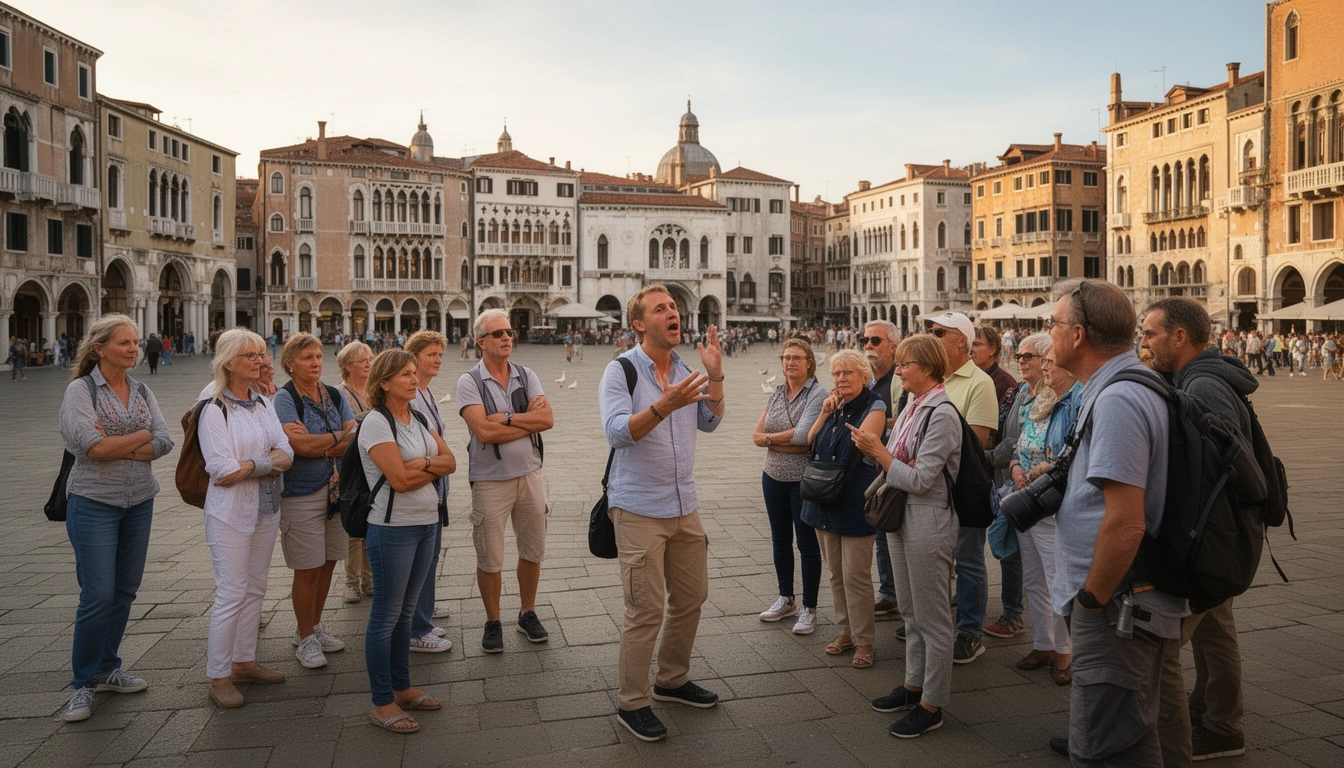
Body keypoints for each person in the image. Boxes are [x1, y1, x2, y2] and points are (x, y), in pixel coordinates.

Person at [1046, 279, 1182, 766]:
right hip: (1119, 598)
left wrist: (1090, 600)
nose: (1049, 332)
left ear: (1078, 334)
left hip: (1114, 603)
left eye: (1054, 323)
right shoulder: (1114, 388)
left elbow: (1126, 523)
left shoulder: (1119, 399)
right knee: (1129, 737)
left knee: (1102, 746)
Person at [599, 285, 725, 742]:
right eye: (660, 309)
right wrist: (662, 405)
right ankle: (632, 703)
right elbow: (617, 432)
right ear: (639, 323)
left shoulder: (687, 369)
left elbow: (710, 421)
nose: (673, 313)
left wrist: (716, 376)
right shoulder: (621, 371)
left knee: (691, 597)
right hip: (638, 507)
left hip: (684, 504)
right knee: (645, 609)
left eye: (673, 306)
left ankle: (672, 679)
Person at [1141, 298, 1252, 765]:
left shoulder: (1203, 384)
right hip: (1220, 531)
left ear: (1180, 336)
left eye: (1150, 333)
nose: (1144, 342)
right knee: (1215, 628)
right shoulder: (1201, 377)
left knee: (1165, 644)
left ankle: (1211, 727)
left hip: (1212, 534)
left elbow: (1218, 465)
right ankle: (1215, 716)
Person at [57, 315, 174, 722]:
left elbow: (164, 441)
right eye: (124, 342)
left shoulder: (141, 389)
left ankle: (108, 668)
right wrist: (140, 437)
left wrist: (120, 442)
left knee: (124, 590)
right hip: (94, 502)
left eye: (135, 342)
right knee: (98, 594)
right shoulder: (81, 390)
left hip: (139, 500)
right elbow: (93, 448)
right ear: (99, 348)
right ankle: (82, 684)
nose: (132, 349)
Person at [854, 335, 962, 738]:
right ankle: (914, 685)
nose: (897, 371)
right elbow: (904, 468)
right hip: (902, 514)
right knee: (911, 612)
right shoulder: (913, 405)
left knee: (933, 618)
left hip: (928, 519)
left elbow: (919, 479)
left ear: (928, 368)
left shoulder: (942, 413)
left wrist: (880, 452)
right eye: (898, 364)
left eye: (905, 364)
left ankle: (932, 704)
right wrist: (893, 459)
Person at [357, 349, 456, 734]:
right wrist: (429, 468)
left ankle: (402, 686)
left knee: (405, 613)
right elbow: (398, 480)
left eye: (415, 373)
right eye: (405, 375)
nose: (415, 380)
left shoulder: (417, 417)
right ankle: (381, 701)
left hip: (427, 523)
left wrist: (422, 465)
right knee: (386, 616)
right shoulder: (376, 423)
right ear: (384, 382)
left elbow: (450, 462)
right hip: (392, 528)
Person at [198, 329, 294, 708]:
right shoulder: (213, 406)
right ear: (229, 363)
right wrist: (266, 463)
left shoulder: (262, 402)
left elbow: (287, 451)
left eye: (261, 354)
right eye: (251, 355)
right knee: (231, 592)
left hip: (266, 507)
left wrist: (253, 465)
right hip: (231, 512)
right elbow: (222, 470)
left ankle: (244, 661)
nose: (261, 361)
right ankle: (218, 675)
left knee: (255, 587)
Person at [457, 309, 555, 653]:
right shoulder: (469, 381)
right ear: (481, 342)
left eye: (509, 332)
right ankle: (493, 620)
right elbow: (483, 431)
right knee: (490, 556)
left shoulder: (526, 375)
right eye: (498, 334)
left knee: (532, 550)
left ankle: (527, 612)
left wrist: (509, 418)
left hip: (530, 473)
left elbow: (548, 419)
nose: (506, 338)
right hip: (490, 481)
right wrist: (527, 420)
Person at [273, 333, 358, 669]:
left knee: (327, 564)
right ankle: (305, 637)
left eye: (319, 356)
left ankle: (313, 627)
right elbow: (299, 447)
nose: (315, 363)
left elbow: (354, 437)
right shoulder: (285, 398)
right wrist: (336, 438)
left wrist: (320, 442)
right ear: (290, 363)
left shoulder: (334, 394)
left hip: (337, 493)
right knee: (307, 568)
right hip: (301, 493)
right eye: (307, 357)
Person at [921, 312, 998, 664]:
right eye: (930, 330)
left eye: (939, 332)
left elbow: (977, 443)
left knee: (968, 561)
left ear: (961, 341)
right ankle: (934, 627)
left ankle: (970, 633)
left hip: (962, 487)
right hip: (930, 487)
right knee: (937, 562)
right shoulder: (933, 378)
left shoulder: (980, 382)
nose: (932, 336)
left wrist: (930, 452)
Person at [801, 350, 885, 669]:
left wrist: (841, 418)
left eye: (848, 372)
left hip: (853, 500)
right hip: (824, 497)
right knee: (836, 573)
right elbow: (810, 439)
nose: (841, 379)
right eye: (836, 373)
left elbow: (864, 441)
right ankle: (844, 632)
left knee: (856, 575)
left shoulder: (874, 405)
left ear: (864, 376)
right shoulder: (832, 406)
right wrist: (824, 414)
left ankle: (865, 641)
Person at [1008, 334, 1078, 686]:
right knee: (1034, 579)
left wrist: (1047, 467)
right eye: (1044, 362)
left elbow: (1073, 451)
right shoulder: (1039, 399)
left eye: (1049, 362)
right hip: (1028, 500)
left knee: (1056, 579)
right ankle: (1043, 643)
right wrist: (1015, 467)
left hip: (1052, 504)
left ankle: (1065, 651)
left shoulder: (1073, 402)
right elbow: (1021, 446)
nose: (1045, 367)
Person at [751, 338, 827, 634]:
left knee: (807, 544)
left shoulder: (817, 394)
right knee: (779, 540)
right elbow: (756, 435)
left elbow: (805, 437)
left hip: (802, 480)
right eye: (786, 358)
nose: (790, 362)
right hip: (772, 477)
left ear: (809, 363)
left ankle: (810, 608)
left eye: (796, 358)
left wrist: (771, 440)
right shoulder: (777, 392)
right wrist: (780, 441)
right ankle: (786, 598)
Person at [972, 325, 1024, 640]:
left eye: (977, 344)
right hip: (980, 473)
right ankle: (972, 592)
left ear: (994, 349)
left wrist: (984, 456)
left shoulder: (1005, 384)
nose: (971, 350)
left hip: (999, 475)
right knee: (971, 541)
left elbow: (1007, 437)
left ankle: (1013, 612)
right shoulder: (971, 378)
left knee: (1007, 546)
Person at [404, 330, 454, 651]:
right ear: (414, 357)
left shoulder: (427, 392)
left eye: (440, 355)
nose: (437, 360)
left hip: (436, 487)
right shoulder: (411, 395)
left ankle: (424, 613)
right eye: (431, 355)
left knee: (430, 556)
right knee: (420, 559)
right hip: (424, 483)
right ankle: (416, 630)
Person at [861, 321, 903, 620]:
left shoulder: (900, 377)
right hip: (872, 467)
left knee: (895, 533)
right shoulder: (867, 378)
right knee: (881, 532)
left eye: (875, 340)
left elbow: (905, 418)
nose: (868, 346)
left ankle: (901, 596)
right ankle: (889, 592)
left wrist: (875, 421)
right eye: (864, 340)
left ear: (893, 346)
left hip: (896, 465)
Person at [337, 341, 375, 603]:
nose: (368, 364)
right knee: (353, 528)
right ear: (347, 365)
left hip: (374, 465)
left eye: (370, 359)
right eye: (362, 360)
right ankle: (351, 582)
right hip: (351, 467)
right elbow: (345, 430)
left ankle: (369, 580)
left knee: (372, 524)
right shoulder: (340, 394)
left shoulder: (374, 390)